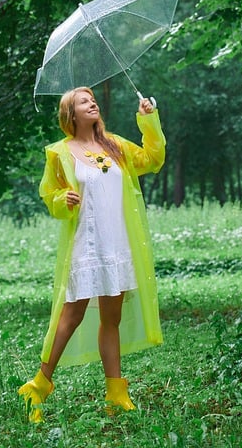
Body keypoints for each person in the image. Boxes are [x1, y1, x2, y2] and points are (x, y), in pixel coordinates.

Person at [18, 86, 165, 423]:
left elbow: (153, 159)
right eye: (84, 101)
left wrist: (148, 120)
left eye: (93, 99)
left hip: (117, 244)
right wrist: (63, 200)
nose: (92, 103)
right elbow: (50, 196)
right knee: (71, 315)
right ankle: (38, 385)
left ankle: (116, 392)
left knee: (111, 319)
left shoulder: (116, 146)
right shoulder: (60, 153)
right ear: (70, 114)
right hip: (86, 244)